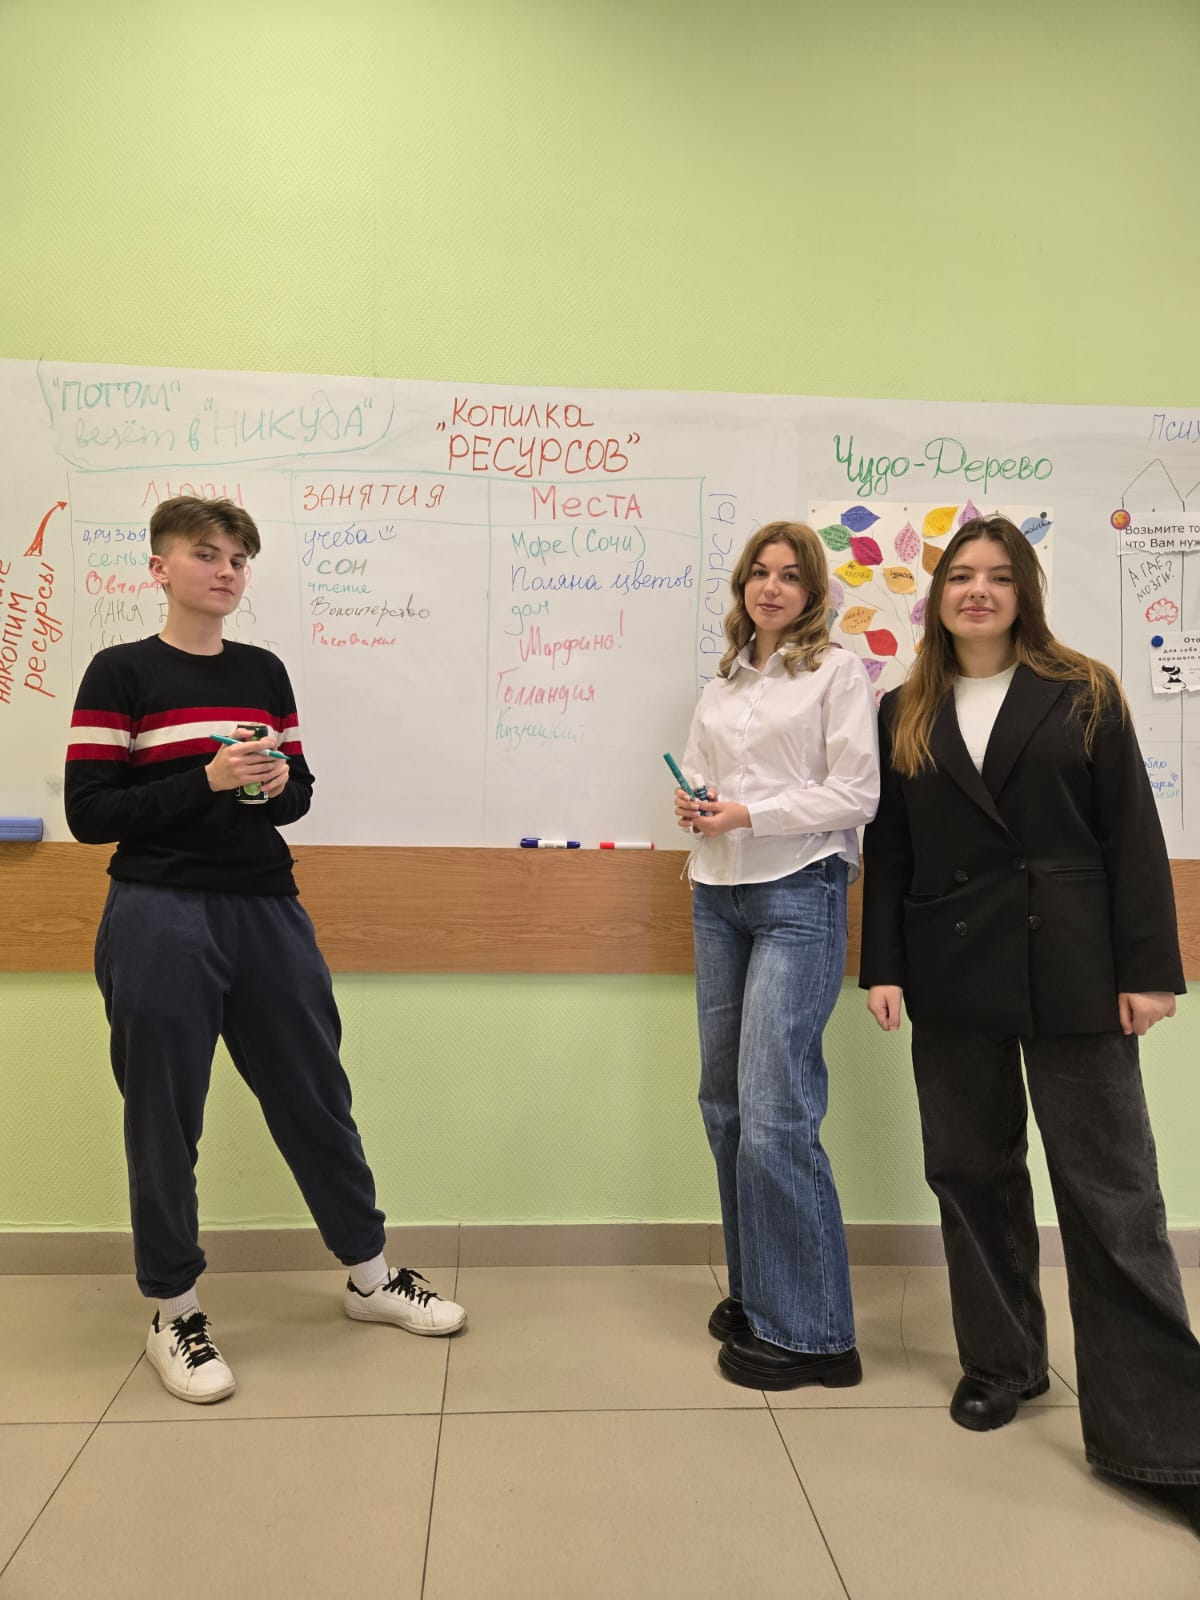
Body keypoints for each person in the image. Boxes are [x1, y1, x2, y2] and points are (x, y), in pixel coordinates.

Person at [65, 496, 466, 1405]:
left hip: (266, 907)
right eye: (206, 554)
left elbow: (296, 795)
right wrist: (204, 779)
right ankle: (174, 1311)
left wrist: (277, 781)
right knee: (164, 1116)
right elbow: (90, 814)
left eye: (239, 558)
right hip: (158, 910)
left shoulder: (262, 670)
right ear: (160, 568)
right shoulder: (120, 671)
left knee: (316, 1093)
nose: (227, 571)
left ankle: (370, 1277)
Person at [861, 513, 1200, 1526]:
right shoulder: (903, 708)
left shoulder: (1083, 689)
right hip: (951, 961)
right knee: (971, 1172)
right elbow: (893, 851)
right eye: (961, 575)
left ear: (1025, 592)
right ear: (938, 597)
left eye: (998, 576)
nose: (978, 590)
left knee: (1112, 1192)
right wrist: (884, 967)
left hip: (1076, 964)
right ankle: (1002, 1362)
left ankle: (1163, 1437)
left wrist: (1151, 971)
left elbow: (1131, 834)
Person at [674, 520, 880, 1390]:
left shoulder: (837, 673)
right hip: (716, 891)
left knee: (773, 1111)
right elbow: (699, 774)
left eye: (790, 576)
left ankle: (817, 1334)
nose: (771, 587)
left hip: (799, 891)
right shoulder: (724, 682)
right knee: (724, 1106)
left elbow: (856, 793)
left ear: (813, 592)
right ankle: (764, 1292)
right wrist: (698, 806)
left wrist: (750, 814)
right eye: (758, 573)